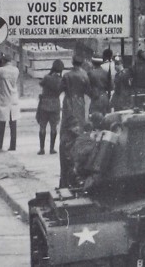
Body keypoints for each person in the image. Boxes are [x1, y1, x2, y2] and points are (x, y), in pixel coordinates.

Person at [59, 54, 91, 188]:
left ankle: (65, 179)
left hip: (69, 101)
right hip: (80, 102)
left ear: (72, 62)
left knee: (67, 128)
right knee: (79, 128)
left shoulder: (67, 75)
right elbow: (88, 90)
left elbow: (60, 88)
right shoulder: (85, 75)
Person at [36, 59, 64, 155]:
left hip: (45, 103)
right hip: (55, 103)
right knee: (54, 127)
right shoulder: (61, 80)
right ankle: (52, 148)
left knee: (42, 126)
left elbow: (41, 84)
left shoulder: (47, 78)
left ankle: (42, 148)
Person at [0, 54, 20, 152]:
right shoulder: (16, 70)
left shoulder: (0, 71)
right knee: (13, 123)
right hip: (13, 97)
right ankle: (13, 145)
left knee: (1, 123)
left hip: (4, 98)